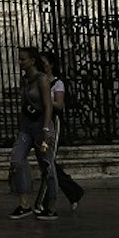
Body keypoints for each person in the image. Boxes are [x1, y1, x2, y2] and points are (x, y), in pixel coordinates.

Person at [9, 46, 58, 220]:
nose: (20, 62)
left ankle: (51, 206)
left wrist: (46, 128)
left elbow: (48, 106)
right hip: (27, 127)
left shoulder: (42, 80)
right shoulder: (24, 80)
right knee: (16, 159)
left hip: (41, 126)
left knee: (47, 164)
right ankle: (24, 204)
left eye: (23, 59)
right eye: (19, 59)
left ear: (32, 61)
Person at [40, 52, 84, 212]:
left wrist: (45, 100)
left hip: (53, 123)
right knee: (46, 162)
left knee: (48, 161)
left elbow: (59, 104)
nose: (42, 66)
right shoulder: (38, 81)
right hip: (39, 123)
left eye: (44, 63)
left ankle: (46, 201)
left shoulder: (57, 83)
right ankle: (73, 191)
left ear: (51, 65)